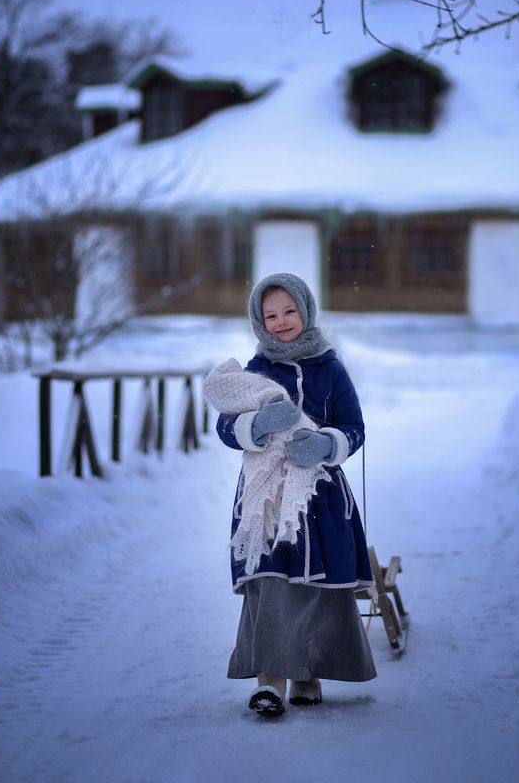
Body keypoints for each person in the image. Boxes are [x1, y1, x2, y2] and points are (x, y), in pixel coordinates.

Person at [215, 272, 377, 717]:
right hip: (266, 498)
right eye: (270, 314)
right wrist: (256, 427)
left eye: (289, 310)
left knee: (317, 581)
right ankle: (271, 681)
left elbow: (354, 427)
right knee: (270, 581)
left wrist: (328, 444)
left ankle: (308, 673)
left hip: (320, 498)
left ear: (305, 311)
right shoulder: (253, 374)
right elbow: (226, 427)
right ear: (258, 320)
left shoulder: (331, 368)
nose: (281, 321)